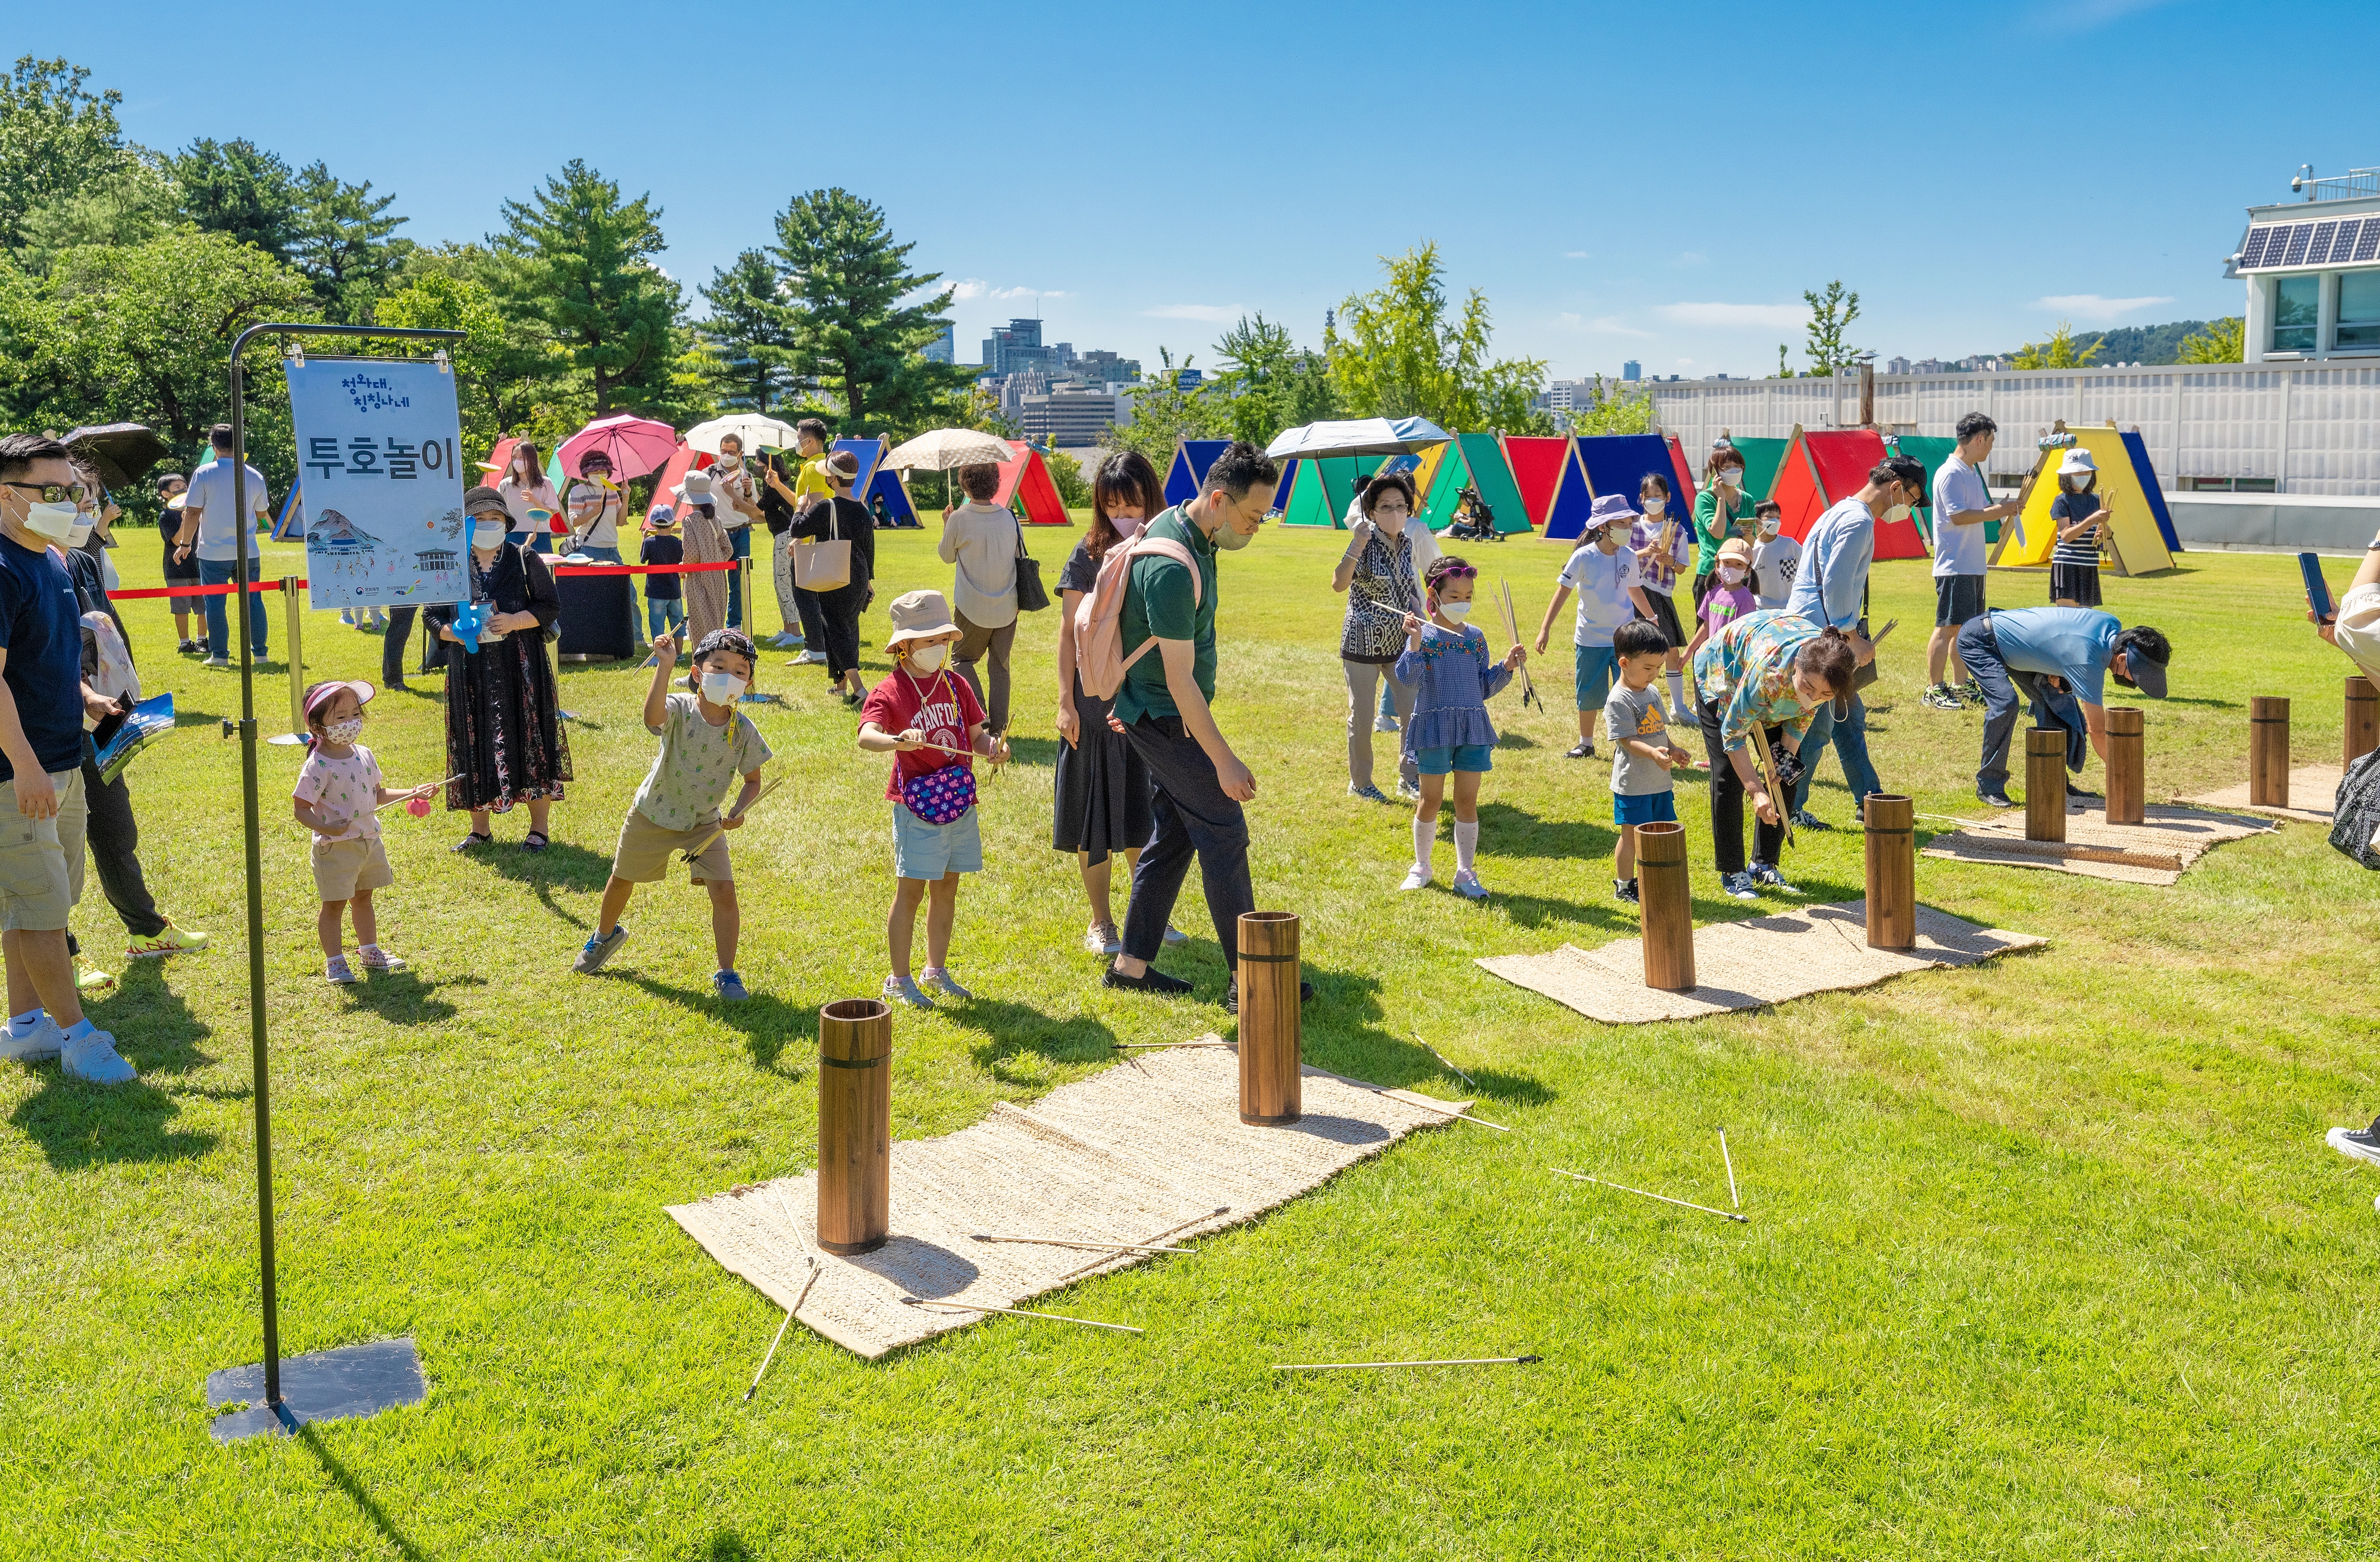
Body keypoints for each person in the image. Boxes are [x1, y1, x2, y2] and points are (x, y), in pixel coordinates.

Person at [1103, 441, 1302, 1017]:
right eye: (1252, 517)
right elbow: (1181, 682)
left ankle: (1131, 966)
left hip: (1158, 713)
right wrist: (1224, 760)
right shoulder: (1170, 566)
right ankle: (1252, 981)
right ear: (1217, 500)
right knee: (1223, 827)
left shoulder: (1197, 531)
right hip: (1165, 720)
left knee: (1175, 837)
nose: (1257, 528)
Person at [0, 433, 134, 1081]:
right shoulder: (0, 568)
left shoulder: (51, 559)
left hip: (65, 756)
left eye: (70, 492)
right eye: (50, 492)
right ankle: (77, 1037)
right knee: (42, 907)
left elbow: (44, 657)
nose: (67, 502)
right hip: (18, 771)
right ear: (7, 494)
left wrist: (89, 698)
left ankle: (25, 1026)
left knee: (34, 903)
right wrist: (23, 765)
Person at [58, 479, 208, 978]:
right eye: (77, 504)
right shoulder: (16, 566)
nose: (85, 512)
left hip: (98, 718)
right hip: (48, 725)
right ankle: (60, 951)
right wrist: (84, 693)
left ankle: (145, 928)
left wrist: (121, 688)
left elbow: (105, 629)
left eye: (88, 504)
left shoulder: (79, 559)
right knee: (51, 845)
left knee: (114, 826)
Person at [573, 629, 771, 1001]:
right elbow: (653, 717)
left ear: (749, 682)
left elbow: (754, 780)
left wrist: (738, 811)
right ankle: (604, 936)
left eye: (741, 671)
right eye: (720, 666)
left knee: (725, 892)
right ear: (698, 673)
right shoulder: (680, 708)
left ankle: (727, 973)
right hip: (653, 813)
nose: (730, 676)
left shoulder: (743, 731)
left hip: (704, 823)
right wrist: (664, 667)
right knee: (621, 879)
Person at [858, 590, 1009, 1009]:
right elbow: (865, 736)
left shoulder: (957, 684)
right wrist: (896, 741)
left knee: (947, 886)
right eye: (928, 640)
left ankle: (935, 971)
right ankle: (898, 979)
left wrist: (994, 748)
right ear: (904, 646)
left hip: (957, 801)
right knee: (911, 891)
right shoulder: (889, 690)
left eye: (943, 638)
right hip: (917, 806)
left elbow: (977, 738)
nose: (939, 647)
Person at [1054, 451, 1178, 956]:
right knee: (1094, 816)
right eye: (1111, 506)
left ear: (1151, 499)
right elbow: (1067, 635)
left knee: (1144, 813)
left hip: (1145, 701)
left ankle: (1148, 914)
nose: (1122, 515)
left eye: (1131, 504)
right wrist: (1066, 702)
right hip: (1093, 703)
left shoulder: (1165, 551)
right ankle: (1102, 922)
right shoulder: (1087, 555)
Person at [426, 487, 571, 850]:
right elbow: (431, 615)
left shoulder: (525, 558)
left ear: (507, 523)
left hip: (521, 666)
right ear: (466, 525)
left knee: (532, 736)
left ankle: (539, 829)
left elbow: (549, 606)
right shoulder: (451, 566)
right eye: (481, 519)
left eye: (496, 518)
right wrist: (453, 634)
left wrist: (515, 621)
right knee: (471, 738)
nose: (489, 525)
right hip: (469, 669)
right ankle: (480, 830)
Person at [1784, 455, 1923, 830]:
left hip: (1815, 628)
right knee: (1815, 731)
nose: (1909, 508)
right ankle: (1789, 807)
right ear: (1896, 487)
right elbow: (1837, 583)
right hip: (1822, 635)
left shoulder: (1840, 511)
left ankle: (1869, 799)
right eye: (1912, 499)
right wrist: (1853, 638)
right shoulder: (1859, 521)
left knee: (1849, 718)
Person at [1692, 609, 1859, 900]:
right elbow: (1733, 736)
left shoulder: (1827, 676)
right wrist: (1756, 790)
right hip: (1723, 671)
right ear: (1797, 666)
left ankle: (1764, 863)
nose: (1813, 698)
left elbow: (1801, 718)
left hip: (1774, 689)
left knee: (1787, 772)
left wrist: (1782, 763)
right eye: (1808, 687)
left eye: (1826, 695)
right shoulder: (1768, 674)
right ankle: (1732, 871)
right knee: (1729, 776)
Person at [1394, 555, 1524, 898]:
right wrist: (1415, 645)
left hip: (1472, 727)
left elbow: (1483, 686)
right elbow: (1410, 678)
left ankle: (1465, 872)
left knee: (1467, 800)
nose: (1463, 603)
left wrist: (1507, 667)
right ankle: (1422, 866)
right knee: (1430, 799)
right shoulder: (1424, 635)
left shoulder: (1476, 638)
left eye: (1468, 597)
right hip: (1434, 727)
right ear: (1433, 599)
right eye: (1454, 597)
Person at [1955, 606, 2170, 808]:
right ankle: (1989, 785)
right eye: (2138, 677)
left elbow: (2063, 636)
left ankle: (2056, 782)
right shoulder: (2088, 660)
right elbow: (2097, 730)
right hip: (1981, 640)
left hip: (2011, 645)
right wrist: (2122, 770)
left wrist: (2057, 671)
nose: (2136, 683)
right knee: (2006, 703)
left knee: (2055, 700)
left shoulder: (2111, 625)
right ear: (2122, 659)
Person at [292, 681, 435, 986]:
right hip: (336, 848)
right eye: (340, 717)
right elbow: (301, 809)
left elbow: (378, 793)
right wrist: (326, 827)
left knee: (364, 897)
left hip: (369, 841)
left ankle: (369, 950)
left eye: (355, 714)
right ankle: (335, 962)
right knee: (334, 905)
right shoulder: (317, 765)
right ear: (318, 726)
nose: (351, 722)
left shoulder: (364, 754)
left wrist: (413, 792)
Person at [1333, 471, 1430, 802]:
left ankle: (1409, 777)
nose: (1394, 513)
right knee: (1362, 717)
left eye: (1401, 506)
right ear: (1372, 512)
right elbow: (1338, 583)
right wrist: (1357, 544)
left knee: (1411, 711)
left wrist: (1416, 606)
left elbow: (1407, 587)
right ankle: (1360, 783)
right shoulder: (1362, 540)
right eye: (1386, 507)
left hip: (1400, 643)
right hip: (1361, 643)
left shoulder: (1406, 543)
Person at [1535, 493, 1653, 761]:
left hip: (1624, 639)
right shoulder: (1583, 557)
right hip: (1590, 639)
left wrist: (1652, 618)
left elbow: (1634, 589)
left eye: (1628, 523)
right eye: (1620, 524)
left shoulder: (1630, 556)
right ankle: (1586, 743)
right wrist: (1545, 628)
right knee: (1588, 693)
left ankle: (1628, 743)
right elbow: (1562, 593)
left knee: (1629, 690)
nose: (1627, 529)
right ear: (1603, 527)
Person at [1925, 413, 2025, 710]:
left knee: (1966, 629)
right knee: (1947, 628)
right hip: (1954, 565)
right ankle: (1934, 689)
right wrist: (1998, 511)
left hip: (1971, 565)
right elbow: (1959, 517)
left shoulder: (1969, 471)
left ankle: (1960, 685)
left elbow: (1979, 510)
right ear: (1979, 439)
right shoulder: (1951, 472)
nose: (1991, 448)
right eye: (1990, 441)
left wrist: (2004, 509)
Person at [1605, 618, 1693, 905]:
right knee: (1631, 836)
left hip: (1658, 781)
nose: (1654, 674)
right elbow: (1626, 740)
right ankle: (1624, 885)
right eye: (1648, 668)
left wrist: (1673, 748)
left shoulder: (1652, 692)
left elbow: (1659, 731)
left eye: (1658, 667)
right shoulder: (1619, 699)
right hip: (1633, 783)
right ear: (1624, 662)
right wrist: (1654, 754)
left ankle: (1653, 879)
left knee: (1659, 831)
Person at [177, 423, 273, 667]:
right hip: (248, 550)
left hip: (213, 552)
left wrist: (185, 544)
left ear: (213, 446)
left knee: (216, 604)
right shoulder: (254, 475)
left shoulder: (203, 473)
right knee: (254, 601)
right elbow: (262, 513)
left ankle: (220, 656)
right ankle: (261, 654)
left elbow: (192, 512)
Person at [939, 462, 1020, 736]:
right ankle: (999, 728)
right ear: (995, 484)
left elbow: (946, 556)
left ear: (964, 485)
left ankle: (980, 718)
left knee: (962, 661)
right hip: (1008, 605)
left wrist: (947, 525)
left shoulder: (959, 518)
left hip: (971, 606)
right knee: (1000, 667)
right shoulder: (1009, 517)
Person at [793, 449, 875, 704]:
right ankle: (839, 685)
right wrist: (869, 582)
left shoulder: (825, 507)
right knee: (846, 627)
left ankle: (860, 690)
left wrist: (800, 508)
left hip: (836, 573)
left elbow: (797, 529)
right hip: (859, 574)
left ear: (834, 480)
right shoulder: (861, 508)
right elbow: (869, 547)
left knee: (837, 629)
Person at [760, 419, 835, 660]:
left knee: (805, 594)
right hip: (814, 536)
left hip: (810, 539)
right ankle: (818, 646)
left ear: (810, 441)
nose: (797, 443)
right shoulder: (814, 466)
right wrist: (779, 485)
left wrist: (801, 537)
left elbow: (813, 504)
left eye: (799, 437)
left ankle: (815, 648)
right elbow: (799, 503)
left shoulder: (814, 468)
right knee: (808, 594)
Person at [1630, 472, 1693, 719]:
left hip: (1661, 592)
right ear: (1641, 498)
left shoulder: (1676, 530)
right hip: (1634, 590)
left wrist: (1671, 560)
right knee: (1636, 648)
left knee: (1671, 649)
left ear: (1668, 497)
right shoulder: (1631, 524)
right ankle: (1636, 702)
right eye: (1649, 496)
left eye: (1659, 495)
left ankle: (1678, 707)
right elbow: (1621, 559)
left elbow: (1681, 567)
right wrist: (1645, 552)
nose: (1653, 500)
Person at [1691, 443, 1755, 605]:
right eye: (1727, 467)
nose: (1733, 470)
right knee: (1710, 626)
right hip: (1712, 573)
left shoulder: (1747, 500)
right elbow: (1718, 532)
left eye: (1737, 466)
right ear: (1715, 472)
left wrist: (1748, 535)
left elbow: (1751, 543)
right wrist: (1721, 498)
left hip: (1740, 572)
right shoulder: (1705, 499)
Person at [2049, 448, 2110, 608]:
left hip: (2089, 565)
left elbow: (2106, 533)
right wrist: (2092, 520)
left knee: (2086, 617)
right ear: (2066, 477)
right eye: (2077, 473)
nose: (2083, 477)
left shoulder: (2097, 500)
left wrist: (2106, 532)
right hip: (2067, 565)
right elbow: (2067, 536)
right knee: (2067, 616)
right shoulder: (2062, 501)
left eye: (2086, 472)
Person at [679, 474, 732, 650]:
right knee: (716, 625)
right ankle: (715, 665)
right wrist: (715, 562)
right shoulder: (715, 520)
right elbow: (728, 549)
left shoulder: (689, 521)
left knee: (699, 626)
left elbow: (692, 554)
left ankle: (700, 671)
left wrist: (683, 569)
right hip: (718, 578)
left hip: (699, 581)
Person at [1685, 537, 1758, 660]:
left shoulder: (1745, 599)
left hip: (1732, 661)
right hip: (1714, 657)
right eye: (1727, 563)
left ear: (1747, 571)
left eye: (1739, 564)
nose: (1732, 568)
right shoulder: (1713, 593)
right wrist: (1689, 651)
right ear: (1718, 565)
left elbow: (1746, 634)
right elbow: (1707, 625)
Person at [157, 472, 203, 653]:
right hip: (176, 569)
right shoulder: (166, 516)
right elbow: (176, 542)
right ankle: (185, 642)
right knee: (181, 607)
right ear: (166, 494)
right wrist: (185, 521)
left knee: (203, 606)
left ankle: (203, 640)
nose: (183, 489)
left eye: (184, 485)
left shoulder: (196, 511)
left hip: (198, 564)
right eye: (177, 487)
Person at [497, 440, 562, 552]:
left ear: (531, 459)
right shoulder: (505, 484)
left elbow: (551, 513)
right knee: (514, 569)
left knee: (540, 569)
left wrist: (535, 501)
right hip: (513, 535)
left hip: (540, 536)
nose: (517, 461)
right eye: (514, 457)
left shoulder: (545, 483)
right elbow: (497, 509)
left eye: (521, 457)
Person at [638, 502, 684, 655]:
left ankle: (660, 654)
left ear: (652, 524)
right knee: (678, 623)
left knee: (657, 625)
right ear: (673, 524)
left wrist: (643, 539)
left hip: (656, 591)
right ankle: (679, 654)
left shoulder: (649, 542)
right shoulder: (678, 543)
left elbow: (642, 559)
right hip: (674, 590)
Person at [563, 450, 625, 562]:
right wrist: (592, 513)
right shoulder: (578, 491)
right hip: (589, 547)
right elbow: (574, 521)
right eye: (595, 471)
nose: (599, 474)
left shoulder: (611, 490)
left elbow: (620, 522)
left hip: (612, 548)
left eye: (603, 470)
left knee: (623, 579)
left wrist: (626, 498)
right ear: (587, 473)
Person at [1748, 501, 1798, 610]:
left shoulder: (1790, 544)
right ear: (1757, 521)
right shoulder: (1752, 549)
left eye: (1778, 517)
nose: (1775, 521)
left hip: (1789, 608)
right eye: (1769, 517)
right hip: (1760, 609)